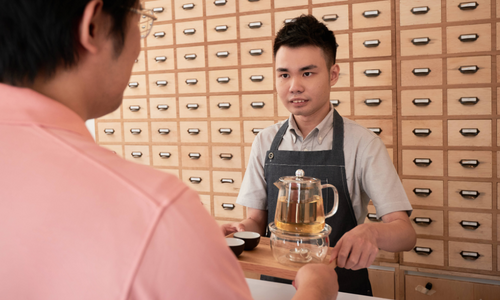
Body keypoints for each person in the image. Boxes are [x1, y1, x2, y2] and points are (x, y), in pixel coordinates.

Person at [0, 1, 339, 299]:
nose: (139, 47)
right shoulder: (158, 214)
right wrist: (317, 292)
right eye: (139, 17)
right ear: (92, 25)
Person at [222, 15, 417, 296]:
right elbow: (256, 221)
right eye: (284, 74)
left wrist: (372, 232)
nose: (294, 86)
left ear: (333, 74)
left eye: (308, 73)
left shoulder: (362, 143)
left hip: (343, 288)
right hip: (274, 286)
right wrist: (240, 229)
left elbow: (405, 233)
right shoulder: (265, 141)